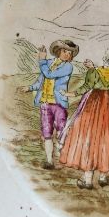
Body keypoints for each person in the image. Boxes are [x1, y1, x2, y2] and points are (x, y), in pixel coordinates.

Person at [59, 45, 109, 189]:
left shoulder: (94, 72)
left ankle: (88, 180)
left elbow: (87, 87)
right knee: (105, 139)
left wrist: (70, 93)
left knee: (89, 138)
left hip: (94, 105)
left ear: (105, 57)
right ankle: (102, 177)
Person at [28, 39, 78, 169]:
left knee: (61, 131)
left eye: (70, 53)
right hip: (45, 103)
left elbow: (49, 75)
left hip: (59, 103)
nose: (67, 54)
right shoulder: (48, 63)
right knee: (47, 133)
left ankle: (62, 158)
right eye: (65, 51)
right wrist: (30, 88)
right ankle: (49, 161)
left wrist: (41, 60)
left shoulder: (68, 66)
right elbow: (41, 80)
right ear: (58, 51)